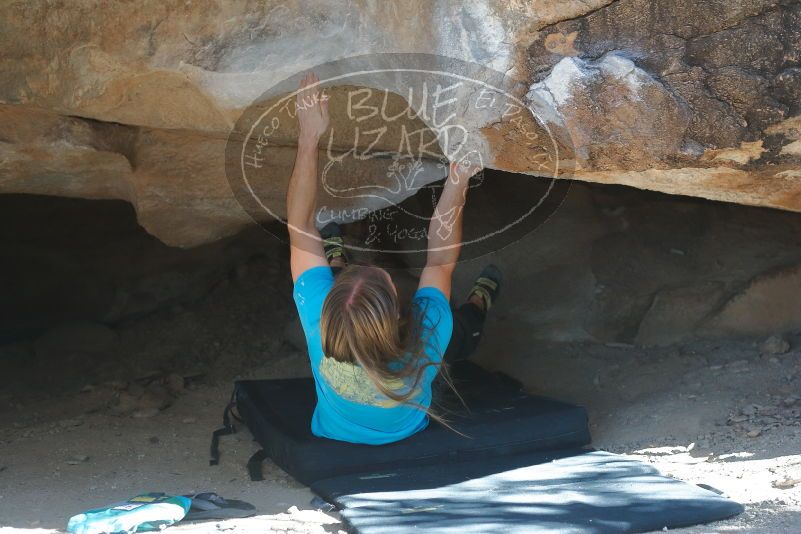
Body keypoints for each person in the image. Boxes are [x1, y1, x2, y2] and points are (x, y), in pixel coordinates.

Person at [288, 72, 501, 445]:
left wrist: (308, 137)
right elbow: (438, 263)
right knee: (463, 332)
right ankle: (481, 298)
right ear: (397, 314)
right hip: (410, 428)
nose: (377, 269)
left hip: (332, 433)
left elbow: (299, 225)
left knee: (332, 276)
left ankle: (335, 260)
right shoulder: (428, 334)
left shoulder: (317, 319)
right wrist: (459, 180)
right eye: (382, 278)